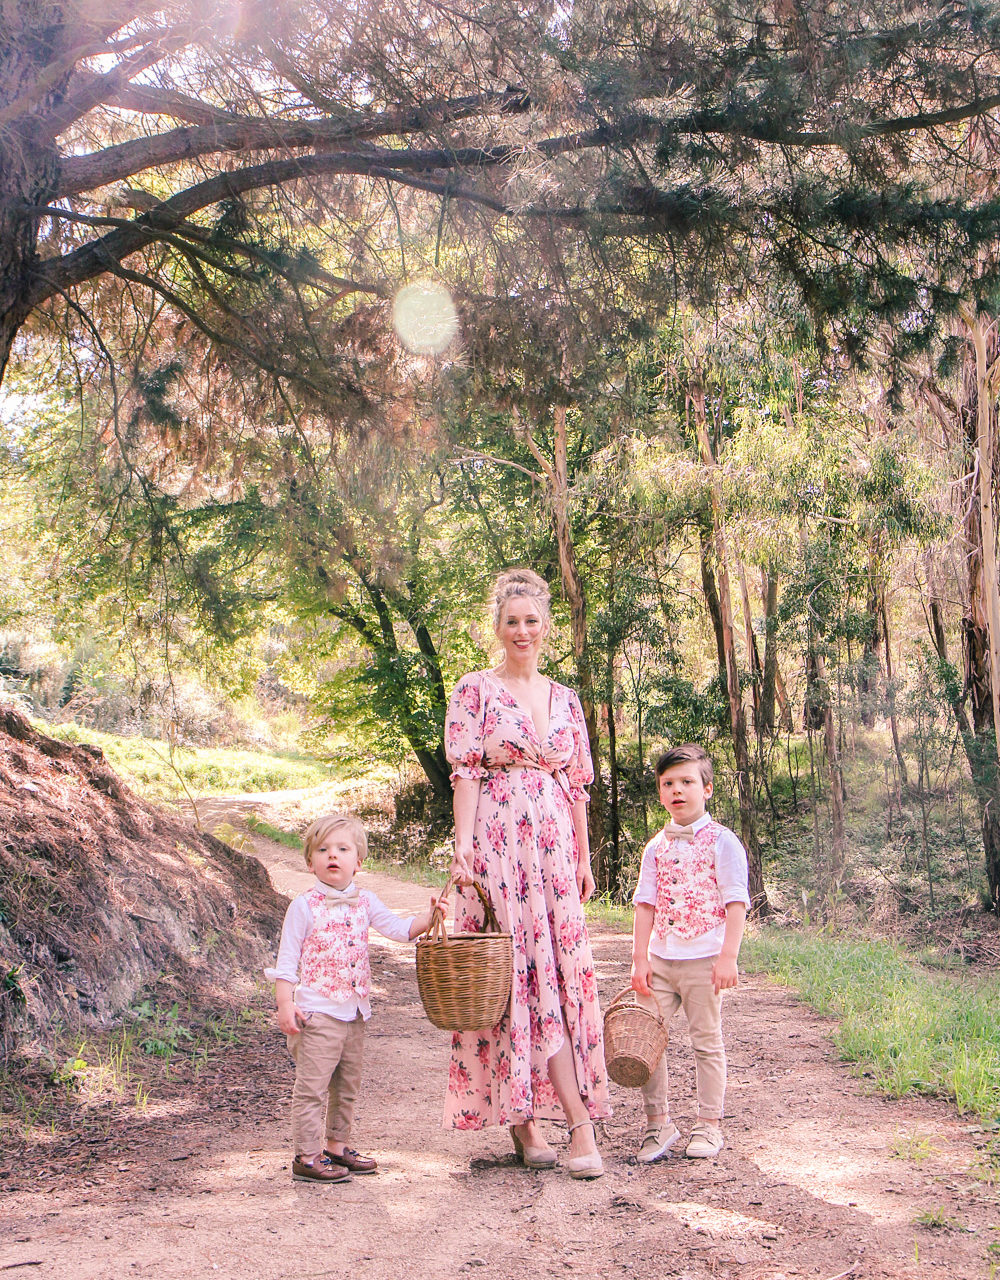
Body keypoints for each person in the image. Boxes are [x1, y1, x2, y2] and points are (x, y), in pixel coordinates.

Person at [442, 567, 610, 1179]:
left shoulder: (566, 698)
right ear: (497, 627)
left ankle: (574, 1120)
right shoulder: (475, 690)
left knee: (560, 978)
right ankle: (538, 1123)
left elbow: (577, 786)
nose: (522, 630)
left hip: (555, 854)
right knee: (516, 978)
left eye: (531, 621)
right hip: (498, 845)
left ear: (546, 627)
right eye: (511, 621)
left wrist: (585, 857)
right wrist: (463, 847)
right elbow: (466, 773)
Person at [266, 812, 436, 1183]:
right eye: (323, 849)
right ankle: (306, 1155)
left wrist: (426, 919)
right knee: (311, 1087)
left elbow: (397, 928)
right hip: (316, 1013)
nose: (333, 855)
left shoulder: (365, 901)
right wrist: (285, 1004)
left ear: (358, 861)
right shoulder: (303, 906)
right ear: (310, 861)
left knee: (347, 1085)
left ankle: (336, 1146)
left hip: (354, 1011)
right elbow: (287, 961)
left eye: (343, 849)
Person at [630, 743, 750, 1162]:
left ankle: (709, 1124)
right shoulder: (655, 847)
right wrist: (640, 960)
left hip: (704, 959)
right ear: (660, 793)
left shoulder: (724, 842)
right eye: (668, 784)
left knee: (706, 1041)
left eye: (687, 782)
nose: (677, 790)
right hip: (661, 959)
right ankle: (657, 1123)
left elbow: (736, 902)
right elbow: (645, 904)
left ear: (708, 789)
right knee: (648, 1040)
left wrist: (728, 957)